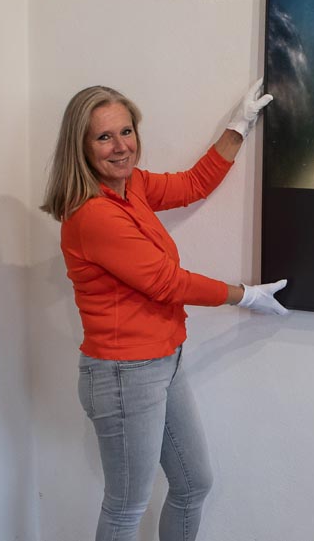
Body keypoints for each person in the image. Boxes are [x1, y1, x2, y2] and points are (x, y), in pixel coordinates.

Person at [40, 79, 289, 541]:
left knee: (194, 483)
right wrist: (245, 295)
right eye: (104, 137)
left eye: (126, 131)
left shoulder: (130, 187)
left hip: (162, 362)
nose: (121, 147)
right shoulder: (93, 214)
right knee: (126, 506)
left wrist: (239, 124)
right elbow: (165, 281)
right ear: (81, 147)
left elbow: (192, 183)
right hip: (123, 375)